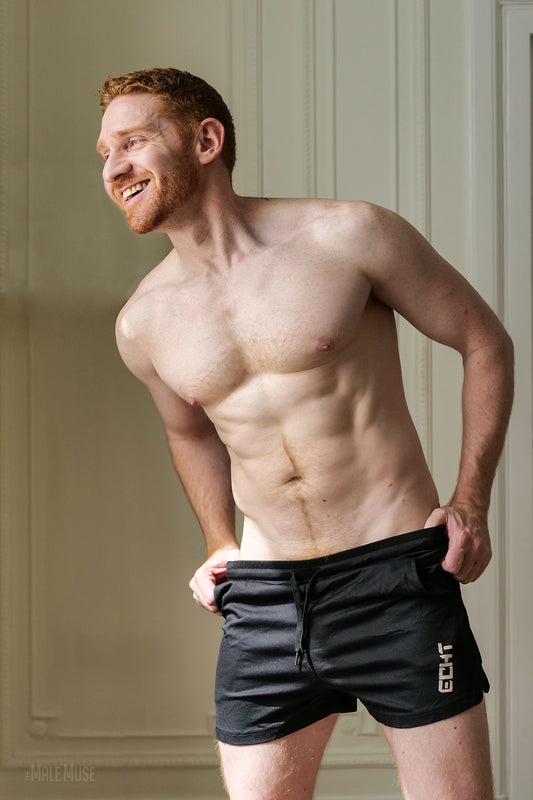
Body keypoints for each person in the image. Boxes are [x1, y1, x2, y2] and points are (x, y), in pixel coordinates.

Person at [96, 67, 514, 799]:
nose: (113, 169)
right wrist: (219, 542)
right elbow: (189, 433)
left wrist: (470, 500)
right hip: (264, 599)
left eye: (132, 143)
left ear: (205, 140)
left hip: (394, 576)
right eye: (104, 154)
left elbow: (484, 342)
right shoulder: (142, 323)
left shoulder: (348, 235)